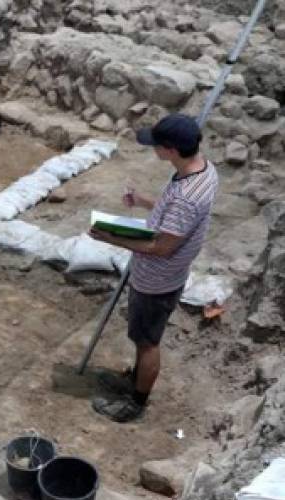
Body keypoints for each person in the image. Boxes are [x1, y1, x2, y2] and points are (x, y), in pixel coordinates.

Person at [88, 113, 218, 423]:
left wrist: (110, 237)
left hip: (157, 280)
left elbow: (161, 247)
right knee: (142, 335)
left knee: (147, 342)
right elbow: (172, 212)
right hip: (162, 274)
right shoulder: (202, 170)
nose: (154, 149)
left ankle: (136, 401)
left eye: (157, 145)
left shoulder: (187, 197)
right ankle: (134, 380)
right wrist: (145, 201)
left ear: (171, 149)